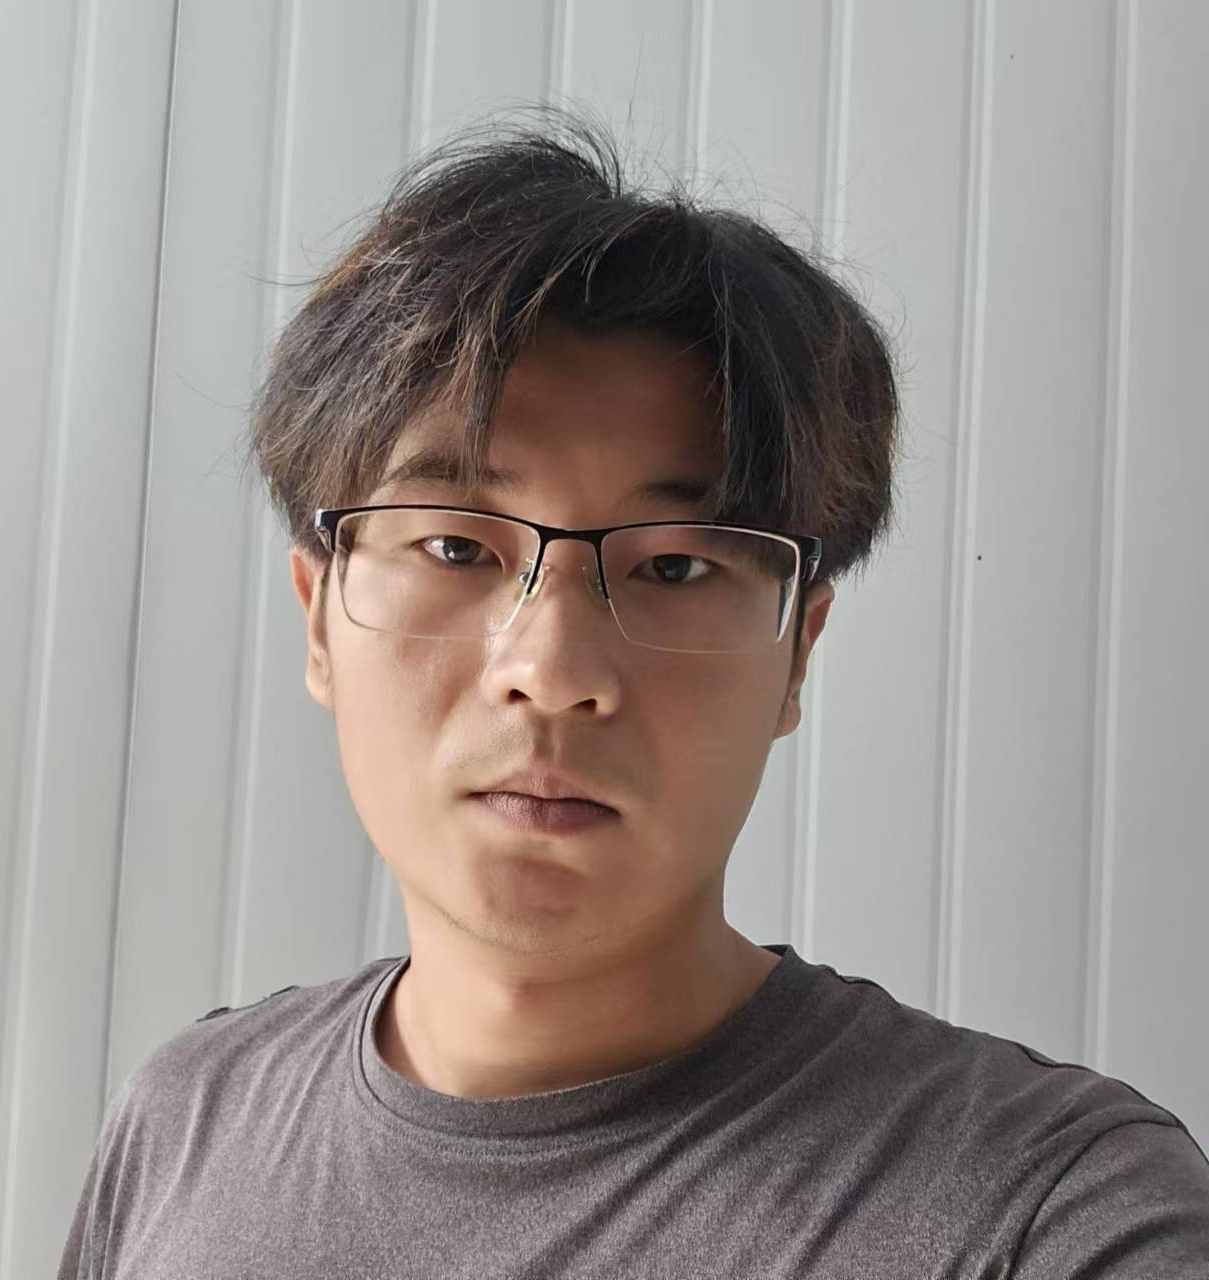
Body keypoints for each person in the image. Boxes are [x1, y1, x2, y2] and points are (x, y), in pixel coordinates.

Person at [59, 106, 1209, 1279]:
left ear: (796, 652)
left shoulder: (1044, 1214)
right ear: (319, 616)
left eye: (673, 568)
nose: (551, 672)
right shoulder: (185, 1123)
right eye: (455, 546)